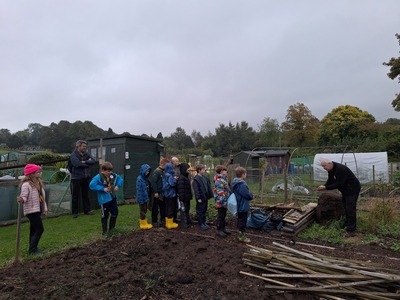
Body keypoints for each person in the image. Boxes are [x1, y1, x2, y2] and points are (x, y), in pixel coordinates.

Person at [317, 160, 361, 236]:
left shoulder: (340, 169)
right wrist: (324, 186)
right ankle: (348, 224)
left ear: (330, 163)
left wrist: (326, 187)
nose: (324, 168)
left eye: (324, 166)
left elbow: (339, 184)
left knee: (350, 208)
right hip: (346, 190)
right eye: (323, 166)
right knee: (345, 206)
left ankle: (351, 230)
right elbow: (330, 180)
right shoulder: (331, 169)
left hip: (352, 189)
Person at [17, 164, 48, 255]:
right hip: (31, 210)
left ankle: (32, 249)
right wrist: (22, 199)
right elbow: (24, 196)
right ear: (32, 174)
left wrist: (44, 207)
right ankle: (32, 249)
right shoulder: (26, 185)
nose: (40, 173)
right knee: (40, 229)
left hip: (37, 209)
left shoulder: (38, 183)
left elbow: (41, 197)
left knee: (34, 230)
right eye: (38, 172)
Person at [89, 162, 123, 236]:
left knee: (115, 213)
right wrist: (102, 188)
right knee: (105, 215)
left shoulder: (112, 175)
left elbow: (120, 179)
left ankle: (112, 230)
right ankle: (104, 232)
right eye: (108, 171)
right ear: (103, 170)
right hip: (104, 200)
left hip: (113, 198)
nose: (110, 172)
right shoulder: (98, 177)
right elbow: (91, 185)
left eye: (110, 171)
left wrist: (117, 185)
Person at [70, 140, 97, 218]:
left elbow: (93, 161)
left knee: (86, 195)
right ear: (78, 146)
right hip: (76, 178)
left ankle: (87, 210)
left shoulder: (87, 154)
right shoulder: (73, 155)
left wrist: (83, 162)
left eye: (85, 146)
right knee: (75, 196)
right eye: (83, 146)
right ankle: (75, 213)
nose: (85, 148)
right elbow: (77, 164)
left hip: (86, 177)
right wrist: (87, 163)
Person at [232, 167, 254, 243]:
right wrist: (251, 195)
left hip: (239, 203)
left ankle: (239, 234)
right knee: (242, 221)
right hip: (242, 204)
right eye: (245, 173)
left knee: (240, 219)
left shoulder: (235, 182)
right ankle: (242, 237)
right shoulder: (241, 184)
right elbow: (246, 194)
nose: (246, 175)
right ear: (242, 174)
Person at [193, 164, 213, 231]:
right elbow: (196, 190)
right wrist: (198, 198)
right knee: (200, 211)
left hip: (205, 197)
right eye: (203, 169)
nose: (204, 170)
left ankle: (204, 222)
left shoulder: (204, 178)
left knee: (204, 210)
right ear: (199, 170)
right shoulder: (196, 179)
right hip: (201, 198)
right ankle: (200, 223)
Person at [213, 165, 231, 237]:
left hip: (224, 200)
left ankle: (223, 228)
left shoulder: (223, 179)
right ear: (221, 171)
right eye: (225, 170)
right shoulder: (219, 180)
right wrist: (223, 202)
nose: (227, 172)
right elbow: (220, 192)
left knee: (223, 215)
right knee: (220, 215)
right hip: (221, 201)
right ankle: (219, 229)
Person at [151, 158, 169, 227]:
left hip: (162, 192)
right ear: (162, 164)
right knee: (155, 207)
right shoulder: (156, 172)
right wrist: (155, 192)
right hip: (157, 192)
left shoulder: (163, 172)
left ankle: (162, 219)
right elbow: (154, 183)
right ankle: (154, 221)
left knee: (163, 207)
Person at [136, 164, 154, 229]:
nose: (148, 172)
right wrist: (142, 198)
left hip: (146, 197)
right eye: (146, 171)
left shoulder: (146, 179)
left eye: (149, 171)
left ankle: (144, 222)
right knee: (142, 210)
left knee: (145, 210)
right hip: (141, 198)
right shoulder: (139, 179)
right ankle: (142, 223)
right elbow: (140, 190)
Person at [162, 162, 179, 229]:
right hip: (171, 194)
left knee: (167, 208)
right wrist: (175, 179)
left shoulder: (165, 174)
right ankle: (170, 223)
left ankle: (167, 222)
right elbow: (172, 184)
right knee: (170, 208)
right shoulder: (169, 176)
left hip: (166, 194)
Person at [177, 162, 193, 228]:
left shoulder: (186, 177)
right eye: (187, 169)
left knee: (187, 209)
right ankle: (183, 222)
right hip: (184, 198)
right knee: (183, 210)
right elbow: (181, 189)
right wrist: (182, 198)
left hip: (187, 197)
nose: (188, 170)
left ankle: (188, 220)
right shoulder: (181, 178)